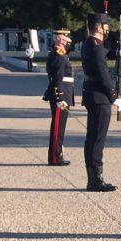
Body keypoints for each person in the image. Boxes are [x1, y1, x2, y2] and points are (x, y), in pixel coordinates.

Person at [80, 8, 121, 191]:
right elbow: (104, 75)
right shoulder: (96, 48)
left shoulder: (90, 44)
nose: (108, 29)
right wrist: (113, 97)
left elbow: (102, 56)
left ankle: (93, 178)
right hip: (100, 97)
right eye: (105, 26)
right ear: (99, 27)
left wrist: (116, 52)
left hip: (92, 95)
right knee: (98, 139)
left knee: (92, 138)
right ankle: (95, 180)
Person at [43, 29, 74, 166]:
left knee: (60, 127)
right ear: (57, 39)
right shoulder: (58, 55)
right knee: (57, 128)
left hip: (63, 94)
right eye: (64, 37)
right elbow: (57, 78)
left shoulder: (61, 54)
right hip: (60, 96)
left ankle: (56, 155)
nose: (67, 40)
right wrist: (60, 98)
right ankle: (55, 157)